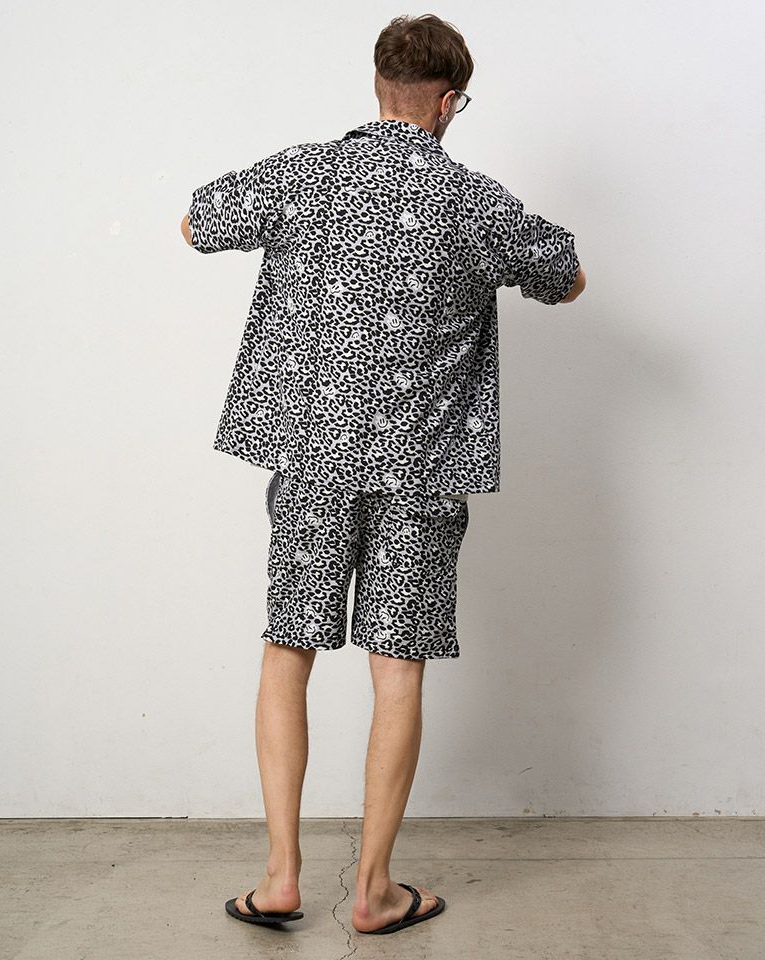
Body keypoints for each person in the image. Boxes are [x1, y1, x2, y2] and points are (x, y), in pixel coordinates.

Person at [181, 13, 586, 937]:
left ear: (378, 85)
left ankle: (280, 878)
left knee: (288, 651)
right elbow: (568, 277)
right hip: (420, 471)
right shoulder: (472, 200)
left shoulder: (303, 173)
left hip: (314, 461)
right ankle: (372, 891)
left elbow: (196, 222)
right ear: (448, 102)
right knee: (396, 671)